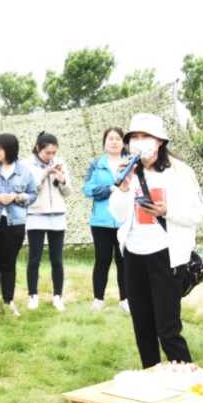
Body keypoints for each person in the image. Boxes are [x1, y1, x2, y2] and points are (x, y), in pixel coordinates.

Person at [110, 113, 203, 368]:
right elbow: (118, 214)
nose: (139, 141)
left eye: (146, 136)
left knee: (168, 330)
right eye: (134, 137)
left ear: (160, 141)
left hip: (166, 255)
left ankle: (186, 381)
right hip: (134, 254)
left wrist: (168, 211)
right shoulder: (128, 171)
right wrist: (123, 187)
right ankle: (151, 379)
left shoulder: (180, 172)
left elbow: (199, 212)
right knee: (142, 329)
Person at [0, 133, 38, 316]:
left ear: (9, 149)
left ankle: (8, 300)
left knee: (9, 263)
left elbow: (33, 194)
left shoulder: (25, 172)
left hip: (15, 223)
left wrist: (18, 197)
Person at [23, 132, 72, 311]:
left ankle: (58, 297)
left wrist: (62, 179)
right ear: (38, 148)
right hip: (35, 215)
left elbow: (68, 192)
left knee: (57, 259)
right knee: (34, 258)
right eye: (47, 153)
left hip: (57, 216)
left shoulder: (60, 163)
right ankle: (33, 296)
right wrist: (43, 176)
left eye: (53, 153)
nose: (50, 156)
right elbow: (26, 191)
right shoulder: (26, 165)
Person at [83, 127, 129, 312]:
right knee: (102, 260)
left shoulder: (131, 163)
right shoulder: (96, 165)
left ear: (123, 142)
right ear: (104, 142)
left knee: (124, 262)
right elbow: (87, 189)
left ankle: (125, 300)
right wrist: (109, 189)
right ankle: (98, 299)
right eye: (110, 138)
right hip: (101, 221)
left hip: (125, 221)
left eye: (118, 138)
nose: (114, 142)